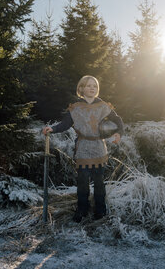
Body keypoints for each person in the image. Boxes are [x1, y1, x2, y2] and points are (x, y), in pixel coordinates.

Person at [43, 75, 124, 223]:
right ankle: (82, 210)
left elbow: (118, 120)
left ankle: (100, 211)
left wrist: (119, 133)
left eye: (94, 86)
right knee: (82, 183)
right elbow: (65, 124)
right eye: (88, 85)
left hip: (99, 147)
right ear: (81, 88)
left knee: (99, 183)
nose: (92, 88)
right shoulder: (76, 107)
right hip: (83, 148)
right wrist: (52, 129)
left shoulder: (103, 106)